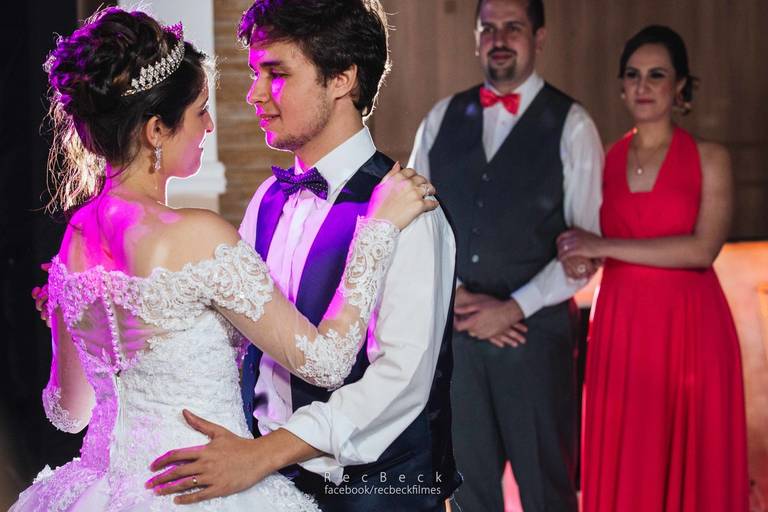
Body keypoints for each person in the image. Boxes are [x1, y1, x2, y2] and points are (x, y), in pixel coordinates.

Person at [12, 7, 437, 511]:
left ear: (343, 79)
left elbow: (68, 413)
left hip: (103, 489)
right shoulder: (211, 230)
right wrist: (377, 233)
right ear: (156, 130)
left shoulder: (76, 239)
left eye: (274, 73)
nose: (214, 122)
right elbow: (324, 361)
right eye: (200, 111)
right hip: (206, 489)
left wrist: (80, 319)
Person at [145, 1, 461, 511]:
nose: (254, 94)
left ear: (341, 79)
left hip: (377, 494)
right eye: (255, 73)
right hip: (265, 488)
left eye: (276, 74)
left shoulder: (411, 212)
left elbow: (398, 385)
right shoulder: (267, 199)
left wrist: (263, 455)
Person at [408, 0, 603, 510]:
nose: (499, 39)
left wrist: (513, 308)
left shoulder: (573, 124)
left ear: (539, 37)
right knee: (466, 489)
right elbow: (414, 224)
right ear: (476, 37)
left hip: (537, 341)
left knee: (546, 489)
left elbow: (585, 247)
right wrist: (454, 297)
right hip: (457, 338)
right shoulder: (440, 119)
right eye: (488, 28)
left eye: (513, 27)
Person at [557, 25, 749, 512]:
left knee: (695, 461)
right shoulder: (603, 161)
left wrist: (603, 245)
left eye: (657, 75)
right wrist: (579, 252)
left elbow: (702, 250)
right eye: (633, 75)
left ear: (680, 85)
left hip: (692, 328)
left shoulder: (711, 158)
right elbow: (586, 243)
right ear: (622, 86)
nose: (643, 86)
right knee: (632, 459)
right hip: (621, 328)